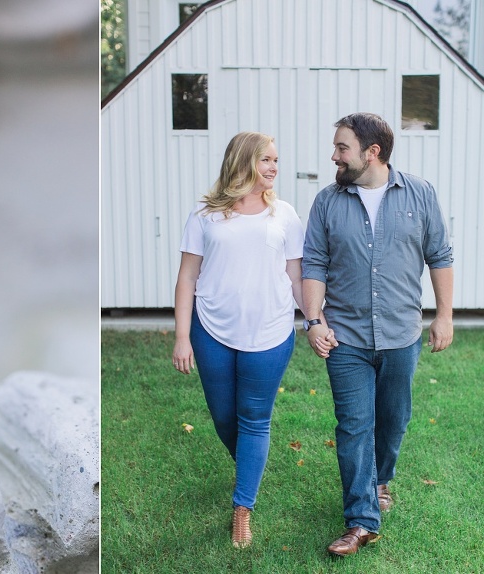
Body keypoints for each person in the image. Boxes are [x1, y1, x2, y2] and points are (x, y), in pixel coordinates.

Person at [301, 112, 454, 557]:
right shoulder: (327, 202)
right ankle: (361, 520)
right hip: (344, 337)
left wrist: (444, 316)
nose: (334, 156)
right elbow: (314, 263)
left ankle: (381, 478)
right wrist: (314, 320)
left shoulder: (420, 193)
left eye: (342, 148)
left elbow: (440, 255)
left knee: (393, 419)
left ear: (372, 152)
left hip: (401, 334)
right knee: (353, 425)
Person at [172, 131, 308, 549]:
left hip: (270, 332)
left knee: (254, 418)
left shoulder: (284, 214)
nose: (274, 167)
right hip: (211, 330)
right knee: (224, 418)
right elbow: (187, 277)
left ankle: (242, 508)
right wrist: (182, 336)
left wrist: (315, 319)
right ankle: (250, 463)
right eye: (266, 159)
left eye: (276, 160)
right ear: (244, 161)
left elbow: (296, 276)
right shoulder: (205, 214)